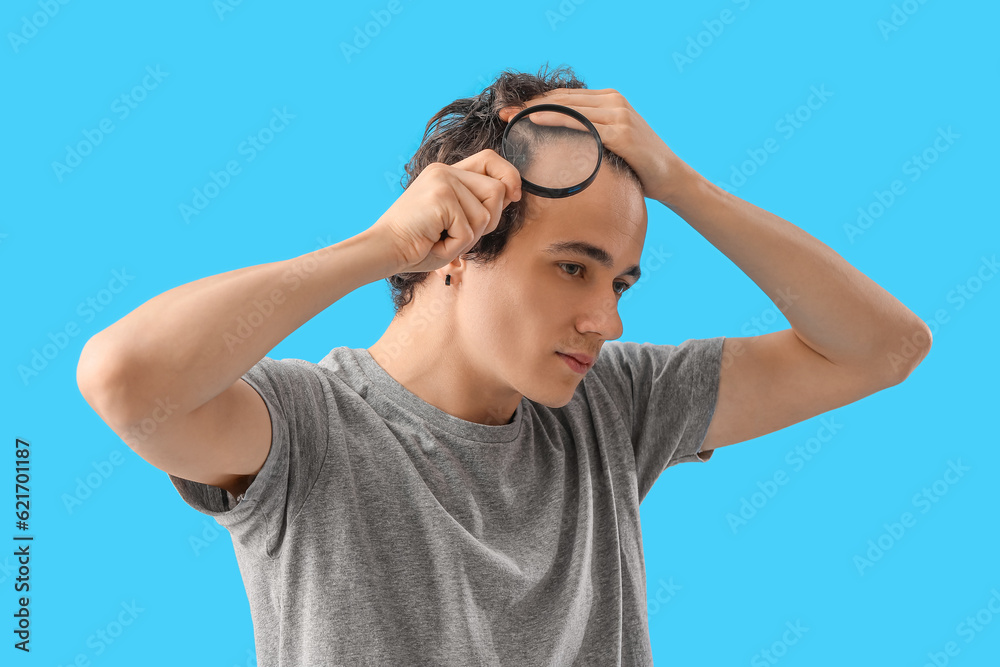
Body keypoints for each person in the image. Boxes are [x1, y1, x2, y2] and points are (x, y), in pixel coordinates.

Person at [75, 63, 931, 665]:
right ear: (456, 242)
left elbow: (885, 347)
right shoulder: (307, 430)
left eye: (621, 279)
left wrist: (683, 185)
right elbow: (124, 379)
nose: (608, 318)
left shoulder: (612, 406)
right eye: (572, 266)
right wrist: (378, 246)